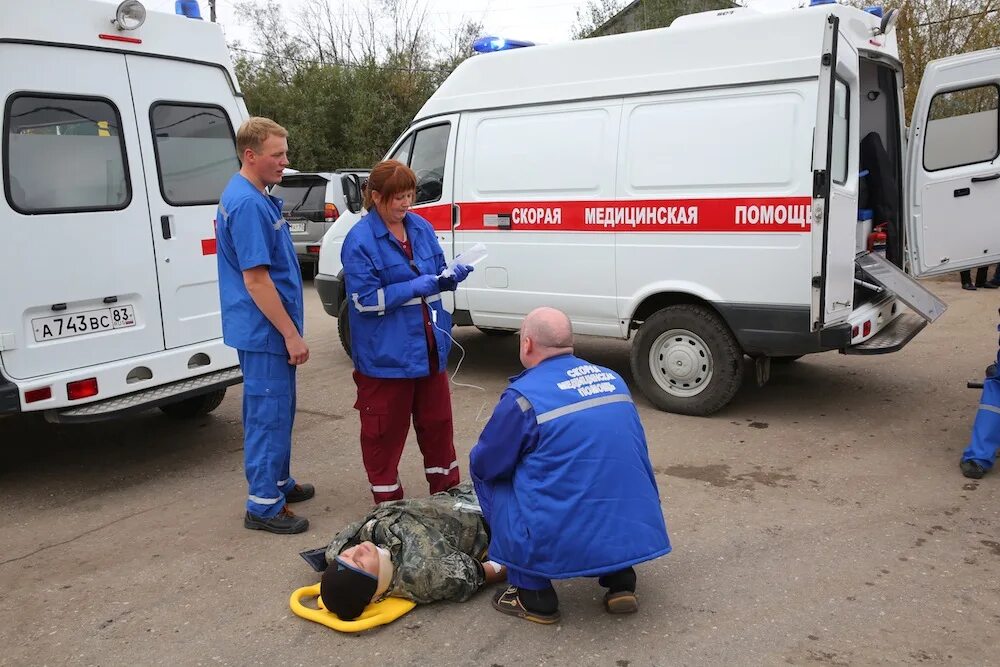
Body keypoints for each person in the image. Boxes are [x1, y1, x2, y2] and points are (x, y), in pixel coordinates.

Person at [470, 307, 671, 625]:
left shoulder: (523, 398)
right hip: (629, 514)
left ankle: (533, 594)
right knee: (605, 471)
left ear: (527, 344)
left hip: (564, 521)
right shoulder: (613, 380)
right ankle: (621, 580)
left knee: (491, 475)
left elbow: (487, 462)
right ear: (569, 343)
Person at [340, 160, 474, 503]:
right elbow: (364, 301)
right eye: (397, 197)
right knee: (383, 435)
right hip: (387, 357)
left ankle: (447, 495)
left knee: (439, 426)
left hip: (430, 350)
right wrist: (417, 286)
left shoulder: (421, 228)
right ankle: (388, 503)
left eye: (409, 196)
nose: (405, 204)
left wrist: (451, 275)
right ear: (375, 197)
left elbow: (438, 270)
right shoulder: (359, 241)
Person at [216, 117, 313, 535]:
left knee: (278, 408)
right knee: (268, 413)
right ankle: (263, 505)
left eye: (285, 153)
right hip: (266, 330)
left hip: (265, 328)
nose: (285, 162)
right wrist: (290, 333)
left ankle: (277, 480)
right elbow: (256, 279)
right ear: (250, 155)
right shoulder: (249, 204)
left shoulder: (253, 194)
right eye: (277, 155)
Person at [317, 482, 507, 620]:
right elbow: (488, 572)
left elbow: (336, 552)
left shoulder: (346, 548)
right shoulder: (425, 572)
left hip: (461, 491)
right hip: (493, 506)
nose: (357, 551)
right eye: (359, 563)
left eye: (347, 555)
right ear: (375, 590)